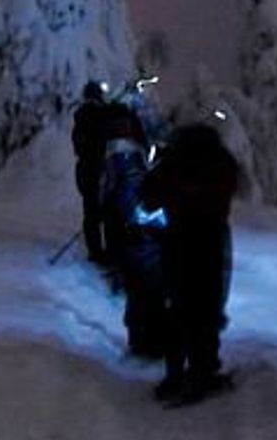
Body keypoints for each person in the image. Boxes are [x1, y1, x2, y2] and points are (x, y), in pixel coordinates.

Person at [139, 123, 241, 405]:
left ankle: (175, 374)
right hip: (211, 241)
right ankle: (203, 371)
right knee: (207, 308)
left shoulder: (172, 163)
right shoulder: (221, 162)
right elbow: (229, 188)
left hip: (177, 241)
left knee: (179, 307)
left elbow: (147, 198)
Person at [97, 93, 162, 358]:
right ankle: (146, 341)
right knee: (142, 283)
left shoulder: (118, 152)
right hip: (132, 217)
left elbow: (110, 187)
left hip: (127, 217)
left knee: (139, 282)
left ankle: (143, 339)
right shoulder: (128, 152)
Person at [71, 80, 111, 267]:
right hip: (96, 168)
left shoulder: (84, 116)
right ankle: (100, 251)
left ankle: (97, 250)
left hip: (90, 168)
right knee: (102, 211)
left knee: (93, 212)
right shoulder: (98, 115)